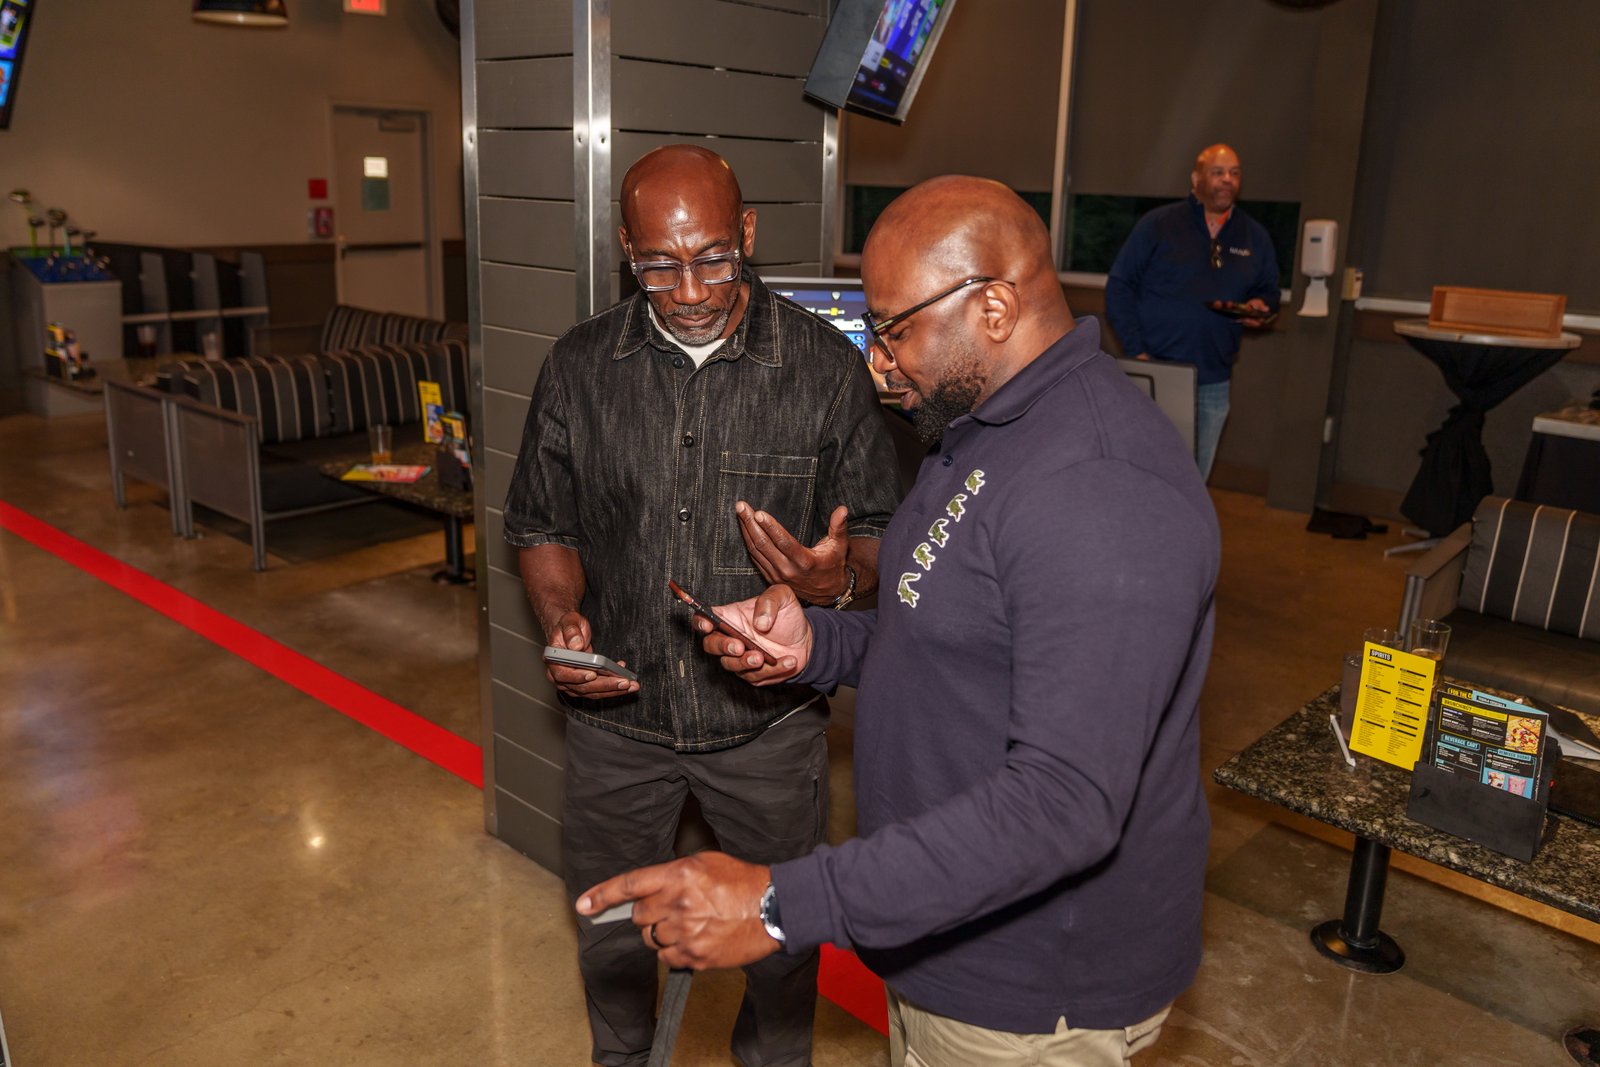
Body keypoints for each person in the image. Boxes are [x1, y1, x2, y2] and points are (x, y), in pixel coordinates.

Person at [576, 175, 1220, 1067]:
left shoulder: (1098, 489)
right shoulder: (985, 428)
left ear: (993, 307)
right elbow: (951, 641)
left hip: (1031, 991)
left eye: (894, 331)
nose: (877, 362)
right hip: (946, 929)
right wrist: (816, 642)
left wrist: (780, 903)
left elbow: (1064, 803)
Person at [502, 144, 901, 1067]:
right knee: (611, 931)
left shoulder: (824, 367)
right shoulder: (578, 367)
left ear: (748, 233)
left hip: (769, 730)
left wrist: (831, 583)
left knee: (782, 946)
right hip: (617, 726)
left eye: (714, 258)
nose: (687, 290)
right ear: (624, 248)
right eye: (658, 265)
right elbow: (542, 524)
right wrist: (561, 621)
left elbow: (878, 537)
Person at [1105, 143, 1281, 479]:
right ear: (1196, 178)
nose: (1227, 180)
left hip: (1213, 379)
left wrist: (1262, 306)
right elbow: (1119, 287)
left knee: (1194, 480)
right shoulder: (1160, 224)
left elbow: (1268, 291)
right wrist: (1136, 351)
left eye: (1234, 173)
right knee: (1144, 472)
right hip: (1157, 371)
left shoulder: (1254, 236)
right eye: (1218, 172)